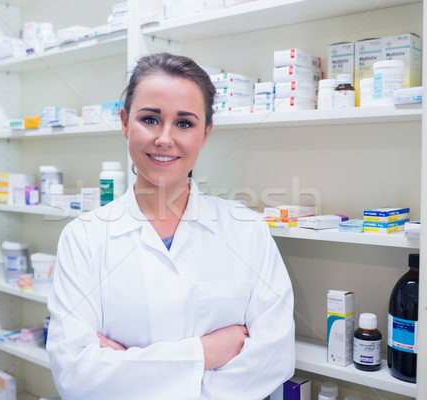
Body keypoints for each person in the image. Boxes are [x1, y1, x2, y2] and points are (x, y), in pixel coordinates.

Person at [46, 52, 295, 400]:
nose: (165, 138)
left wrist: (128, 366)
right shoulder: (84, 237)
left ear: (206, 133)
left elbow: (274, 359)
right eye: (149, 119)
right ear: (124, 122)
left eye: (184, 123)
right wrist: (204, 354)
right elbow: (75, 375)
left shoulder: (247, 230)